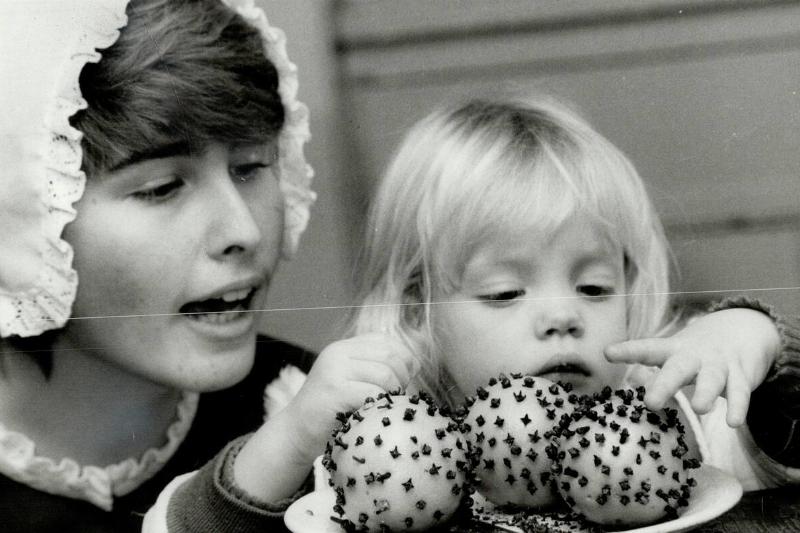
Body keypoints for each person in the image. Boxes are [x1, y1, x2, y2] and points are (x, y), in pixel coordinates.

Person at [0, 1, 415, 532]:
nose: (243, 231)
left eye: (251, 167)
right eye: (162, 188)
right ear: (27, 215)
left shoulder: (315, 417)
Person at [348, 95, 800, 492]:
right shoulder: (396, 457)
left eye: (593, 287)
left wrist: (757, 339)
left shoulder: (681, 416)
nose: (563, 315)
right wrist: (288, 443)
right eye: (505, 292)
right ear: (416, 311)